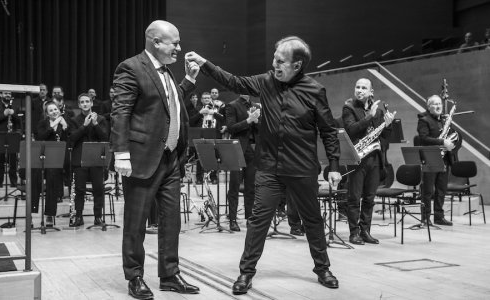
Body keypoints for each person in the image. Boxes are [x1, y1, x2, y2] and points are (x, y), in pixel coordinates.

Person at [186, 35, 342, 294]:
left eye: (280, 61)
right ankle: (246, 273)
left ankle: (323, 268)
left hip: (302, 168)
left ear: (297, 65)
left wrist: (334, 165)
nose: (274, 64)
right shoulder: (266, 81)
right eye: (274, 58)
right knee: (258, 220)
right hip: (269, 167)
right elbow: (233, 81)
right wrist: (205, 63)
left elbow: (327, 130)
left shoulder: (315, 90)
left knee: (312, 220)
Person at [111, 20, 200, 299]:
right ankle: (135, 276)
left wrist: (189, 80)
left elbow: (169, 102)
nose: (179, 47)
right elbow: (121, 112)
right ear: (155, 42)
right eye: (174, 42)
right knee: (136, 223)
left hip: (171, 158)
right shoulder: (131, 67)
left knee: (171, 220)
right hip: (141, 158)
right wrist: (121, 153)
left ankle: (170, 274)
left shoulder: (167, 73)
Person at [342, 78, 395, 245]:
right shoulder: (349, 108)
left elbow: (384, 137)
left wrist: (388, 125)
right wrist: (368, 117)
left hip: (375, 159)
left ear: (371, 92)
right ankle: (354, 233)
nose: (359, 90)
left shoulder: (378, 112)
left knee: (369, 198)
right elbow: (351, 130)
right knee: (354, 197)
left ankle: (365, 231)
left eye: (364, 88)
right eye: (357, 87)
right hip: (357, 158)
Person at [417, 95, 459, 226]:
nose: (438, 106)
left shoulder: (443, 120)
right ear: (429, 107)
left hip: (445, 158)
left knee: (441, 189)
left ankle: (439, 217)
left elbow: (451, 135)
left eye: (439, 104)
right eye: (434, 104)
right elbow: (423, 139)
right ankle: (425, 218)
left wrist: (451, 141)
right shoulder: (424, 120)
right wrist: (442, 141)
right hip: (431, 157)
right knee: (428, 190)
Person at [69, 93, 109, 227]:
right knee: (79, 190)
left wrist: (95, 124)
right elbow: (72, 138)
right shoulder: (74, 120)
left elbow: (105, 138)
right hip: (80, 160)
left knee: (98, 189)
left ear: (92, 103)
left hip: (96, 159)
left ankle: (98, 217)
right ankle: (78, 217)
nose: (85, 104)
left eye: (87, 101)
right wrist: (84, 126)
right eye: (82, 102)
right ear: (79, 105)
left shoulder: (101, 119)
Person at [225, 94, 260, 231]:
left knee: (251, 187)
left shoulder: (256, 106)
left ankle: (249, 218)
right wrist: (248, 120)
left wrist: (257, 122)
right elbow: (231, 127)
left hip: (253, 149)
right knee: (234, 186)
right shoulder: (232, 105)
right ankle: (232, 219)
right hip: (237, 148)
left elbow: (260, 129)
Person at [36, 101, 71, 226]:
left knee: (74, 175)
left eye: (55, 109)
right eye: (51, 110)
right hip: (50, 158)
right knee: (51, 183)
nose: (54, 112)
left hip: (65, 157)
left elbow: (70, 139)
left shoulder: (65, 122)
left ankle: (75, 213)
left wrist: (65, 127)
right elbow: (41, 137)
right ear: (47, 113)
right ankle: (50, 215)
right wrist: (53, 125)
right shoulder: (43, 123)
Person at [0, 91, 20, 188]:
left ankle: (13, 181)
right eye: (5, 93)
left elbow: (20, 120)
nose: (8, 95)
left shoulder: (15, 106)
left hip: (12, 135)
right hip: (0, 135)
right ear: (1, 95)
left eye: (9, 94)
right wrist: (4, 114)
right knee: (0, 160)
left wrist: (13, 114)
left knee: (13, 160)